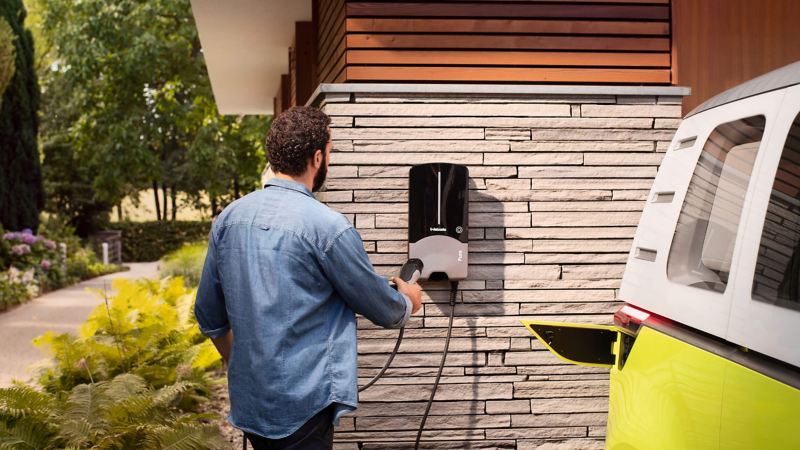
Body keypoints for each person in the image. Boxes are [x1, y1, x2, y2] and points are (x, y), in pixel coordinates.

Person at [194, 106, 423, 450]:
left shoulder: (228, 219)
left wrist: (242, 365)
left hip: (251, 402)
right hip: (303, 405)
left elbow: (209, 315)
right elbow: (383, 308)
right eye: (330, 152)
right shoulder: (328, 227)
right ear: (317, 158)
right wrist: (408, 299)